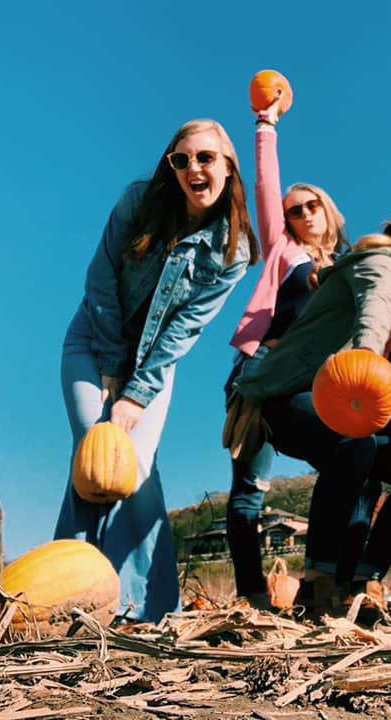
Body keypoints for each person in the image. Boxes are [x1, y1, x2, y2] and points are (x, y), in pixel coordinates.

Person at [232, 191, 391, 617]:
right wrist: (365, 357)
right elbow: (372, 315)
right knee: (355, 444)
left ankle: (364, 580)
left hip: (337, 397)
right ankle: (317, 583)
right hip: (285, 393)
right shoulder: (385, 264)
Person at [55, 119, 257, 623]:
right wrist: (110, 363)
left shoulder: (234, 250)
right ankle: (64, 603)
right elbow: (100, 280)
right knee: (95, 457)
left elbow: (184, 330)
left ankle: (146, 610)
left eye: (206, 158)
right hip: (92, 343)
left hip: (154, 365)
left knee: (134, 469)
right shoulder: (138, 202)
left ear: (228, 166)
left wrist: (136, 392)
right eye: (182, 159)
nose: (194, 168)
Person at [223, 98, 349, 610]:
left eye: (310, 205)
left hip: (314, 385)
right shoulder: (284, 251)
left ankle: (329, 581)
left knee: (351, 460)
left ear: (327, 210)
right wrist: (265, 125)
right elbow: (265, 188)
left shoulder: (349, 267)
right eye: (293, 210)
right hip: (263, 372)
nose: (300, 214)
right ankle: (253, 597)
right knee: (251, 487)